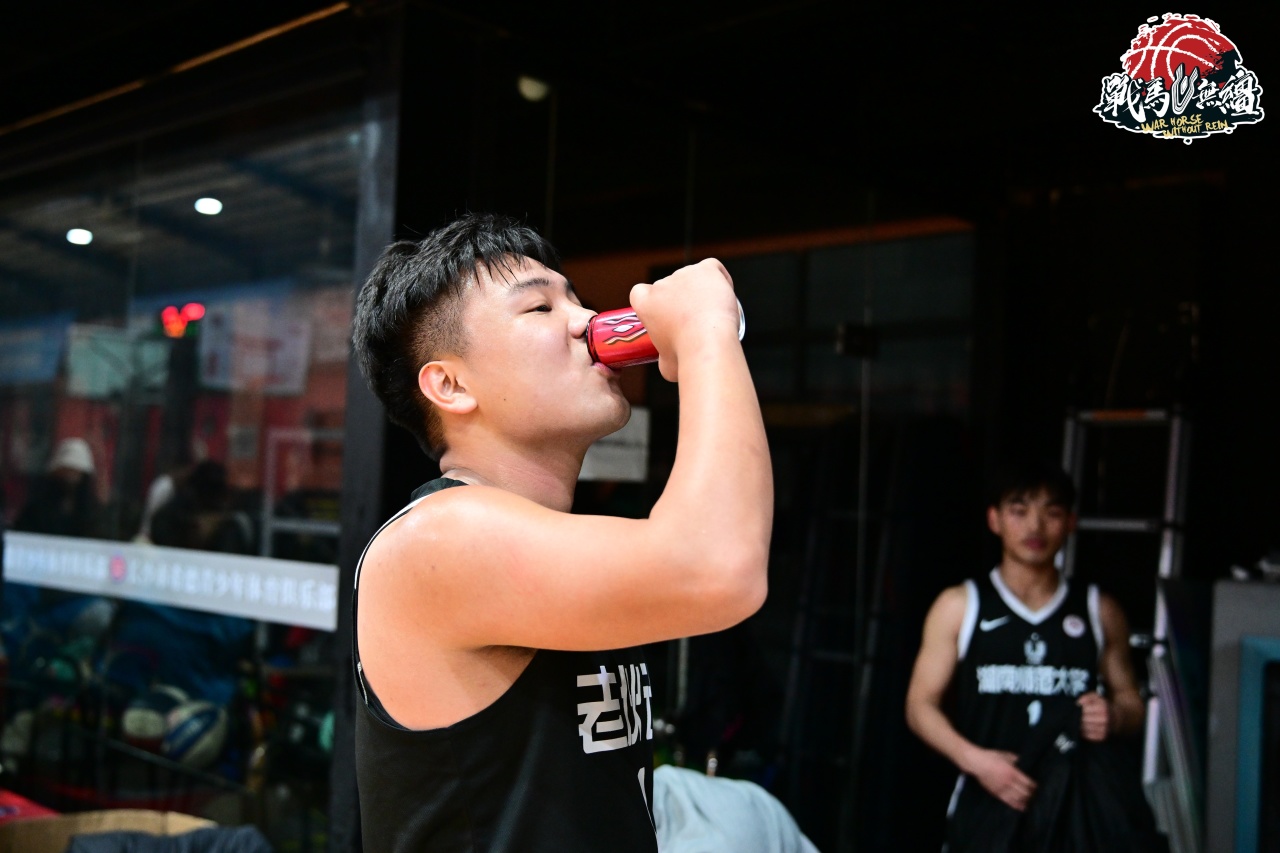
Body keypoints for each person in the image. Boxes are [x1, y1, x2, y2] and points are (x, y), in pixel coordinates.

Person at [350, 213, 772, 851]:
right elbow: (718, 567)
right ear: (450, 385)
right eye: (540, 308)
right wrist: (707, 332)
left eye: (576, 299)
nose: (585, 319)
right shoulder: (437, 539)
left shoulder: (549, 541)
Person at [904, 461, 1151, 852]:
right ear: (994, 519)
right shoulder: (960, 605)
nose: (1035, 527)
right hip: (987, 802)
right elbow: (919, 706)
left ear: (1070, 523)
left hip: (1076, 808)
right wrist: (977, 761)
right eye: (1019, 511)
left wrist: (1115, 715)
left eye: (1051, 513)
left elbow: (1132, 704)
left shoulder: (1098, 609)